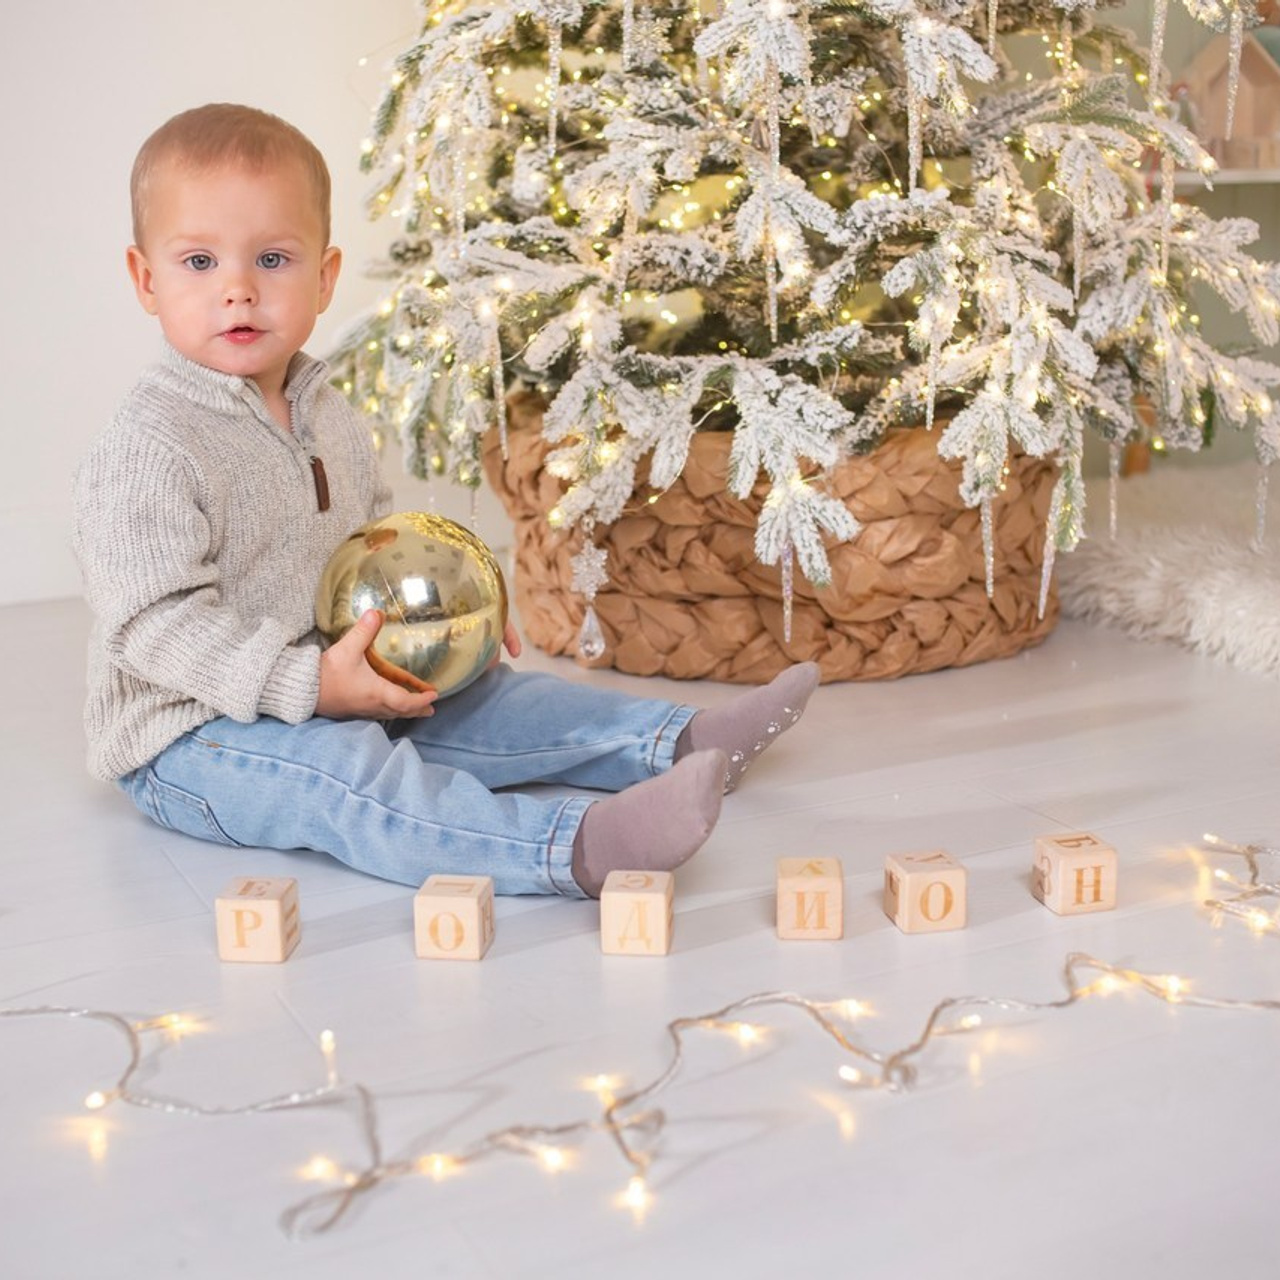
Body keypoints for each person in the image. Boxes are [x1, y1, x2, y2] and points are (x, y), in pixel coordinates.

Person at [73, 103, 819, 899]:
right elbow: (153, 626)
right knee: (348, 778)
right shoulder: (149, 445)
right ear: (145, 279)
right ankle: (573, 848)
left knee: (492, 700)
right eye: (198, 263)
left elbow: (379, 547)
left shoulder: (325, 409)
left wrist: (444, 630)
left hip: (340, 674)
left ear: (324, 278)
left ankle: (677, 740)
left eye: (273, 259)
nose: (239, 292)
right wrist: (310, 688)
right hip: (197, 736)